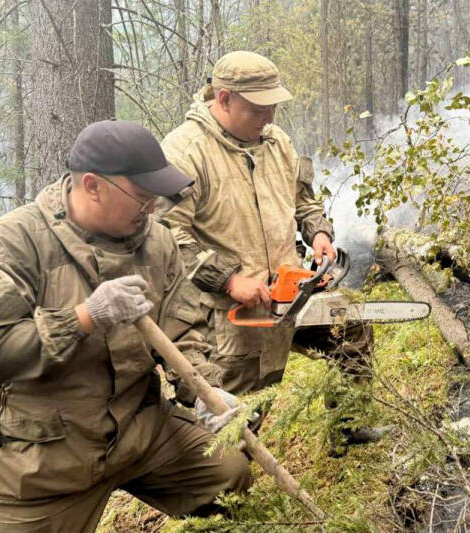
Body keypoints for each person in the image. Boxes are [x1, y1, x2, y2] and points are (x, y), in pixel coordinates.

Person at [0, 120, 251, 533]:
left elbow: (184, 333)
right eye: (143, 197)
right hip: (42, 458)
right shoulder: (15, 243)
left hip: (138, 431)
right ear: (92, 186)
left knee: (227, 472)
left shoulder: (159, 242)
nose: (152, 208)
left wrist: (205, 391)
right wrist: (84, 317)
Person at [159, 51, 380, 449]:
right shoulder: (183, 152)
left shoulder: (277, 142)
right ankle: (225, 491)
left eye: (273, 106)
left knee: (351, 326)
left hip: (292, 289)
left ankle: (349, 426)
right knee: (238, 415)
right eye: (258, 108)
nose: (269, 117)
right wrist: (228, 280)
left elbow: (304, 201)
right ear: (224, 99)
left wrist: (318, 233)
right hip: (230, 310)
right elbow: (167, 240)